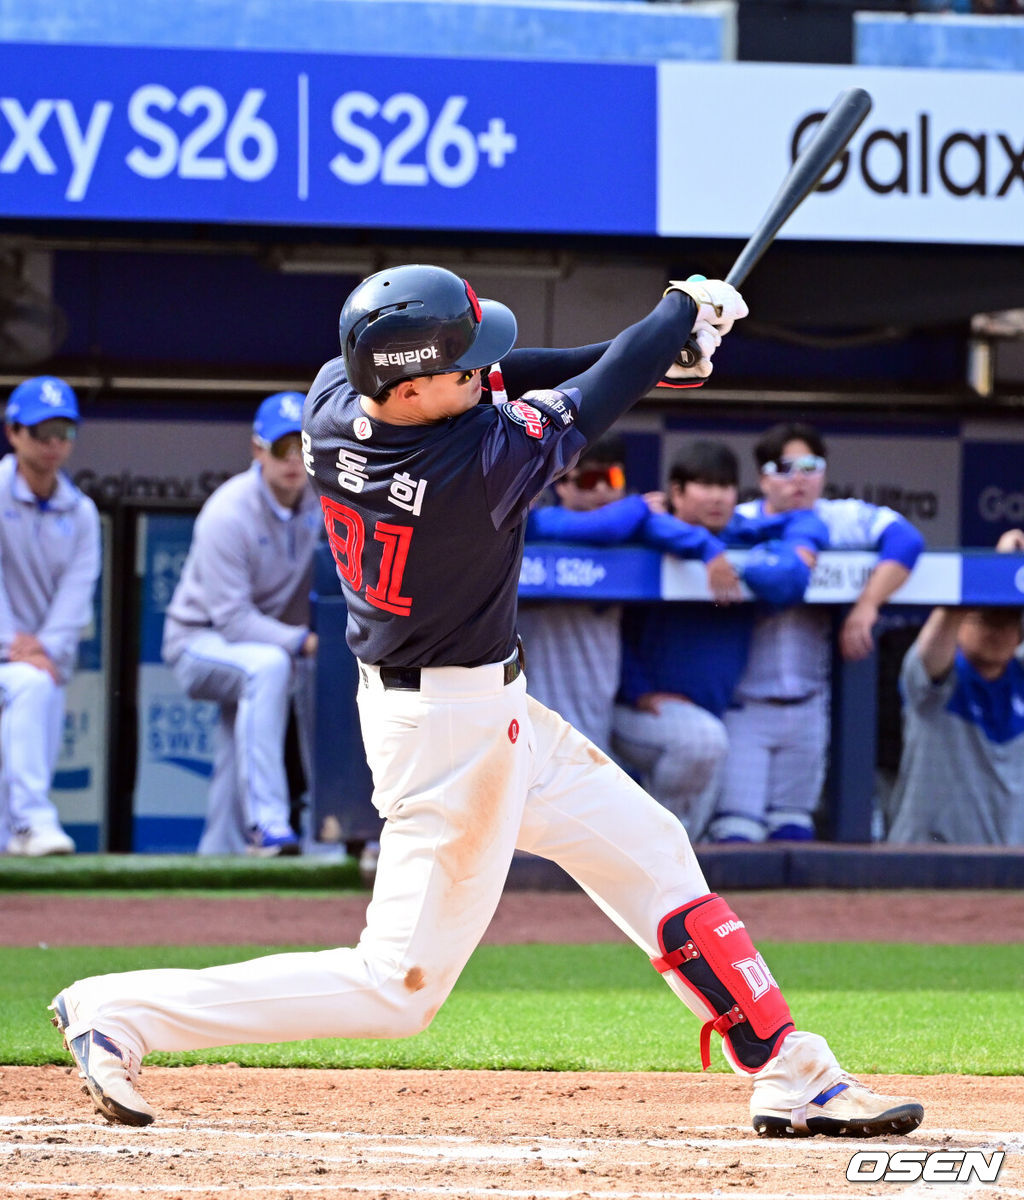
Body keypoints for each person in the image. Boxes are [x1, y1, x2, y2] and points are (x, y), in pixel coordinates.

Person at [50, 265, 922, 1141]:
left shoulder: (331, 395)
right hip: (449, 739)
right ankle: (120, 1011)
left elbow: (542, 371)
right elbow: (587, 396)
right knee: (395, 988)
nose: (481, 375)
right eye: (460, 368)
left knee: (653, 848)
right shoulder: (474, 465)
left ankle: (789, 1069)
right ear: (413, 384)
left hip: (481, 715)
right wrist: (675, 315)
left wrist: (663, 351)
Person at [710, 422, 925, 843]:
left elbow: (906, 538)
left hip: (810, 703)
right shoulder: (738, 520)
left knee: (794, 828)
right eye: (785, 467)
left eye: (810, 466)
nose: (799, 479)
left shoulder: (838, 517)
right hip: (744, 705)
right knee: (736, 832)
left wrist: (867, 605)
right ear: (763, 477)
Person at [612, 440, 828, 840]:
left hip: (710, 718)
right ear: (676, 493)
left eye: (726, 486)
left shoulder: (743, 537)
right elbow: (649, 523)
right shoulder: (651, 533)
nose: (717, 496)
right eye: (704, 485)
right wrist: (639, 692)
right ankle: (648, 852)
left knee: (700, 833)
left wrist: (802, 549)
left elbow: (809, 523)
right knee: (699, 747)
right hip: (635, 713)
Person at [160, 392, 321, 856]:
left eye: (301, 447)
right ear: (257, 450)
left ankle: (220, 850)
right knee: (267, 668)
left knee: (241, 736)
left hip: (265, 646)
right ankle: (267, 823)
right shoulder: (228, 510)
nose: (292, 461)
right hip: (198, 641)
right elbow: (231, 622)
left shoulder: (322, 502)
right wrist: (302, 641)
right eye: (281, 447)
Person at [0, 376, 100, 857]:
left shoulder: (80, 512)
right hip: (19, 657)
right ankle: (31, 821)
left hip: (42, 660)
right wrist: (12, 645)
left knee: (32, 694)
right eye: (42, 432)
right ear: (14, 433)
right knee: (30, 685)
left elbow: (75, 596)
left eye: (64, 432)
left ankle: (19, 830)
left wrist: (41, 650)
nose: (55, 444)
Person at [517, 433, 653, 755]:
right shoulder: (539, 521)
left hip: (604, 691)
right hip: (537, 675)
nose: (603, 489)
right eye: (591, 479)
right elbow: (603, 528)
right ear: (561, 484)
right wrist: (639, 505)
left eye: (612, 477)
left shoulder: (634, 524)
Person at [886, 528, 1024, 845]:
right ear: (961, 622)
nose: (997, 630)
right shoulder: (939, 677)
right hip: (926, 861)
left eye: (1007, 622)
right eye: (985, 618)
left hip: (1008, 866)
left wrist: (1014, 570)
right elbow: (940, 634)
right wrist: (993, 567)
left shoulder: (1019, 674)